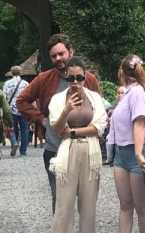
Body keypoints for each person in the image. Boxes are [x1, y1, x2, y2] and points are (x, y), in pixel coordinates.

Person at [17, 34, 103, 209]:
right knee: (60, 198)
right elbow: (21, 101)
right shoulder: (44, 79)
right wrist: (40, 118)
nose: (58, 59)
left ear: (71, 51)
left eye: (61, 54)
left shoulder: (89, 80)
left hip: (85, 148)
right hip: (56, 149)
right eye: (54, 56)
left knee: (87, 198)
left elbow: (98, 110)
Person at [45, 57, 107, 233]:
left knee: (89, 202)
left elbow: (99, 127)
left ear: (85, 77)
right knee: (64, 202)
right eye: (71, 78)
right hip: (67, 152)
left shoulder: (95, 98)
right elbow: (56, 129)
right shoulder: (57, 100)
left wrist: (71, 132)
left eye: (80, 78)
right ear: (66, 77)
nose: (75, 82)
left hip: (90, 151)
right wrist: (66, 110)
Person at [110, 55, 145, 233]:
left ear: (121, 72)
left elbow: (140, 122)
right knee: (125, 203)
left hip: (138, 152)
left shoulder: (137, 93)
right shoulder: (128, 93)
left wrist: (138, 153)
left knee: (141, 204)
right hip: (122, 153)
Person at [3, 66, 30, 156]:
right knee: (24, 131)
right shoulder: (25, 83)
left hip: (11, 109)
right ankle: (23, 151)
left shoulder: (7, 83)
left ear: (11, 73)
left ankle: (14, 143)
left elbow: (4, 97)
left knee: (11, 128)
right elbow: (29, 96)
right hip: (23, 109)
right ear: (20, 72)